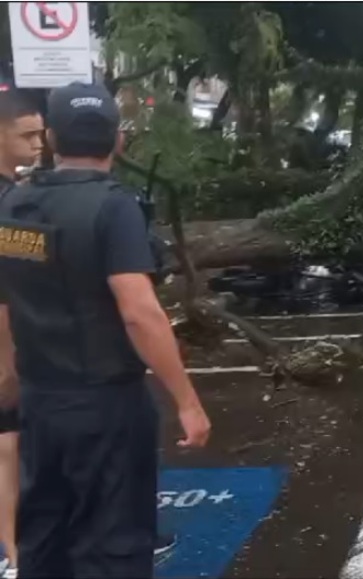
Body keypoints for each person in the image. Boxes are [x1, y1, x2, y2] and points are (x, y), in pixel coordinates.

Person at [0, 82, 211, 578]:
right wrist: (186, 399)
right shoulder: (114, 207)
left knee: (46, 531)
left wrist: (8, 375)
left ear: (51, 137)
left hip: (40, 400)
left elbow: (4, 303)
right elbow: (139, 310)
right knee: (114, 539)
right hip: (105, 404)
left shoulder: (13, 207)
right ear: (117, 140)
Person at [0, 89, 44, 579]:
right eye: (26, 135)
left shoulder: (17, 195)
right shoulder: (9, 202)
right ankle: (13, 551)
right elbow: (12, 287)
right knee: (9, 444)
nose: (38, 144)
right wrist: (8, 361)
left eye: (41, 134)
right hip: (9, 344)